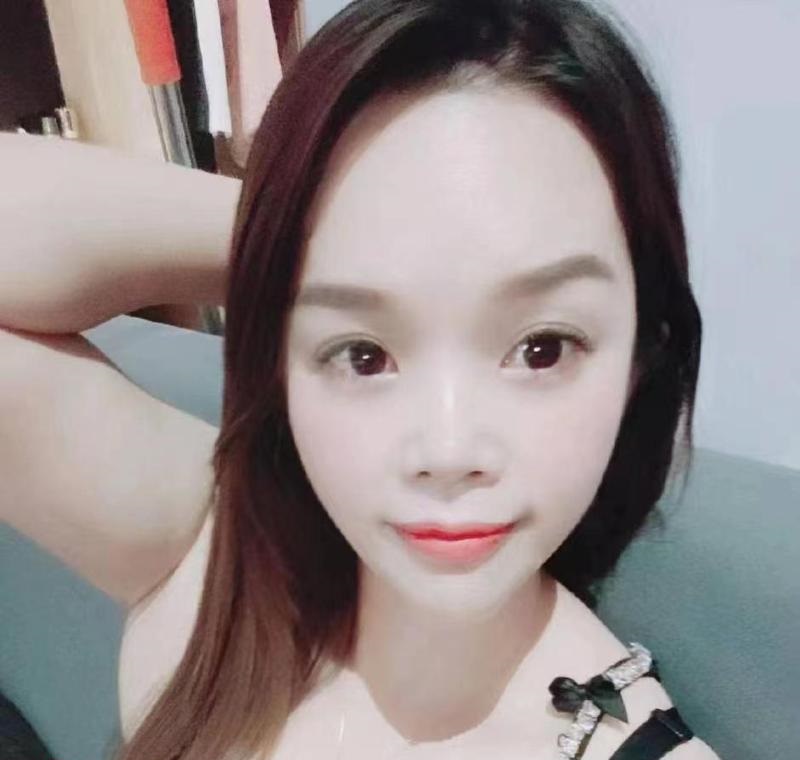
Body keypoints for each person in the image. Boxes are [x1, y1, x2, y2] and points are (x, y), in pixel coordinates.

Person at [0, 0, 720, 758]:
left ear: (639, 358)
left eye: (543, 349)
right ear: (282, 363)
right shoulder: (211, 569)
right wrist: (299, 236)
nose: (447, 451)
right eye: (363, 355)